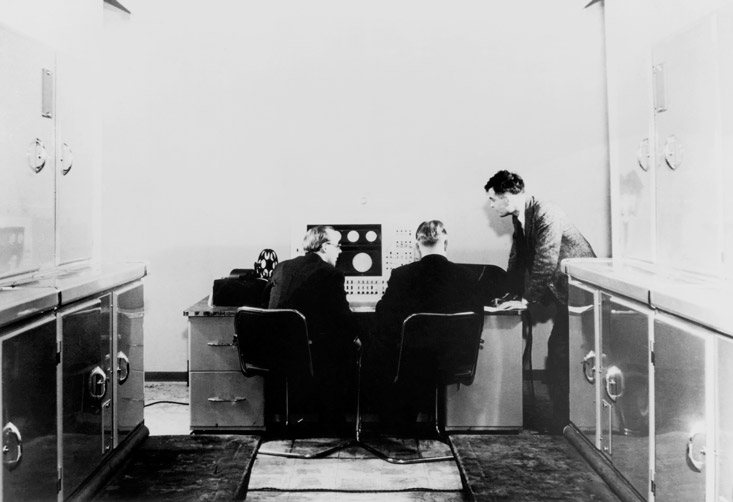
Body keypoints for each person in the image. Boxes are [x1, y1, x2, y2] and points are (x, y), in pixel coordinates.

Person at [484, 170, 596, 433]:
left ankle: (564, 422)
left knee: (560, 352)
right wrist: (508, 295)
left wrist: (525, 300)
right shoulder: (521, 217)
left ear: (507, 196)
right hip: (563, 291)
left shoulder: (546, 212)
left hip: (582, 292)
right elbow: (518, 258)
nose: (491, 205)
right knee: (560, 352)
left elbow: (546, 259)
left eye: (492, 199)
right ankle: (564, 419)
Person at [366, 220, 482, 427]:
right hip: (454, 358)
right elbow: (477, 318)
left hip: (412, 359)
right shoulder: (468, 276)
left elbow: (384, 314)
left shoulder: (401, 275)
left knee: (380, 347)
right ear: (445, 243)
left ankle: (394, 421)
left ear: (417, 245)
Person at [262, 225, 359, 426]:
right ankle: (333, 421)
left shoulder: (282, 267)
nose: (340, 251)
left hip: (273, 348)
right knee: (345, 347)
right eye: (337, 246)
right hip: (308, 352)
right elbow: (342, 316)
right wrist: (358, 336)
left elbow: (264, 303)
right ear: (324, 247)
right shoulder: (330, 273)